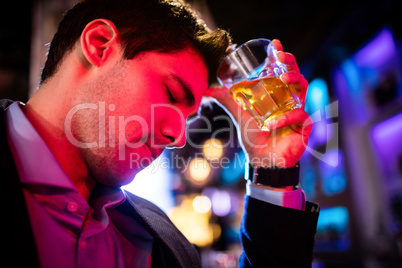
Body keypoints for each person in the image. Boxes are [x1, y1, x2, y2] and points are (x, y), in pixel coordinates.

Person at [0, 0, 319, 267]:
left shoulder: (161, 240)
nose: (178, 137)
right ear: (98, 46)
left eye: (188, 118)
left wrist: (272, 169)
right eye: (170, 93)